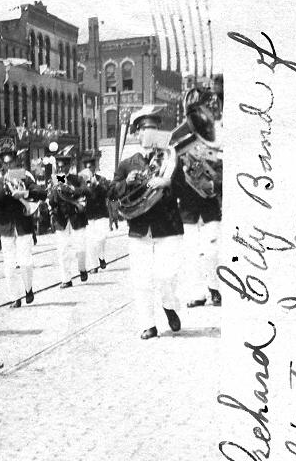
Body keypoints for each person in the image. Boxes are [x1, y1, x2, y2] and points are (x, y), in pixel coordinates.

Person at [110, 107, 185, 340]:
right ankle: (148, 324)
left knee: (166, 275)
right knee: (141, 279)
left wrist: (167, 182)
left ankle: (169, 305)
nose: (149, 133)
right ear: (136, 134)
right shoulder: (127, 164)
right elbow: (111, 192)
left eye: (153, 128)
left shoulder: (171, 158)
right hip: (139, 228)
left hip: (168, 226)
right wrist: (127, 182)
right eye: (144, 129)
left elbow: (184, 188)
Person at [0, 148, 46, 308]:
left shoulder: (24, 177)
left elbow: (41, 193)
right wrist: (5, 190)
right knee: (9, 266)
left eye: (11, 162)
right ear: (2, 165)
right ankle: (15, 297)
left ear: (16, 162)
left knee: (25, 262)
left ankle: (28, 289)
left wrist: (25, 193)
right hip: (6, 227)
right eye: (5, 163)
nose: (8, 166)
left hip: (23, 224)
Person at [177, 175, 222, 307]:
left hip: (210, 209)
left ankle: (215, 289)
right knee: (191, 256)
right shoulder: (174, 161)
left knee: (211, 253)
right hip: (187, 212)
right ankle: (198, 295)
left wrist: (212, 184)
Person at [48, 173, 89, 288]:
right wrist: (53, 191)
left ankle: (82, 268)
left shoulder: (76, 179)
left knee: (80, 246)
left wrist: (71, 189)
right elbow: (51, 202)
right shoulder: (54, 180)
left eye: (64, 166)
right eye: (59, 167)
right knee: (63, 250)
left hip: (77, 216)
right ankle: (66, 279)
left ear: (69, 167)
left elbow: (86, 190)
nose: (61, 170)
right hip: (61, 219)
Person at [81, 169, 111, 273]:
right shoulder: (83, 185)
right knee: (90, 242)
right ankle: (93, 266)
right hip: (89, 217)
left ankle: (101, 257)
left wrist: (96, 184)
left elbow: (107, 193)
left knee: (100, 239)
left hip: (101, 215)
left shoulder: (101, 182)